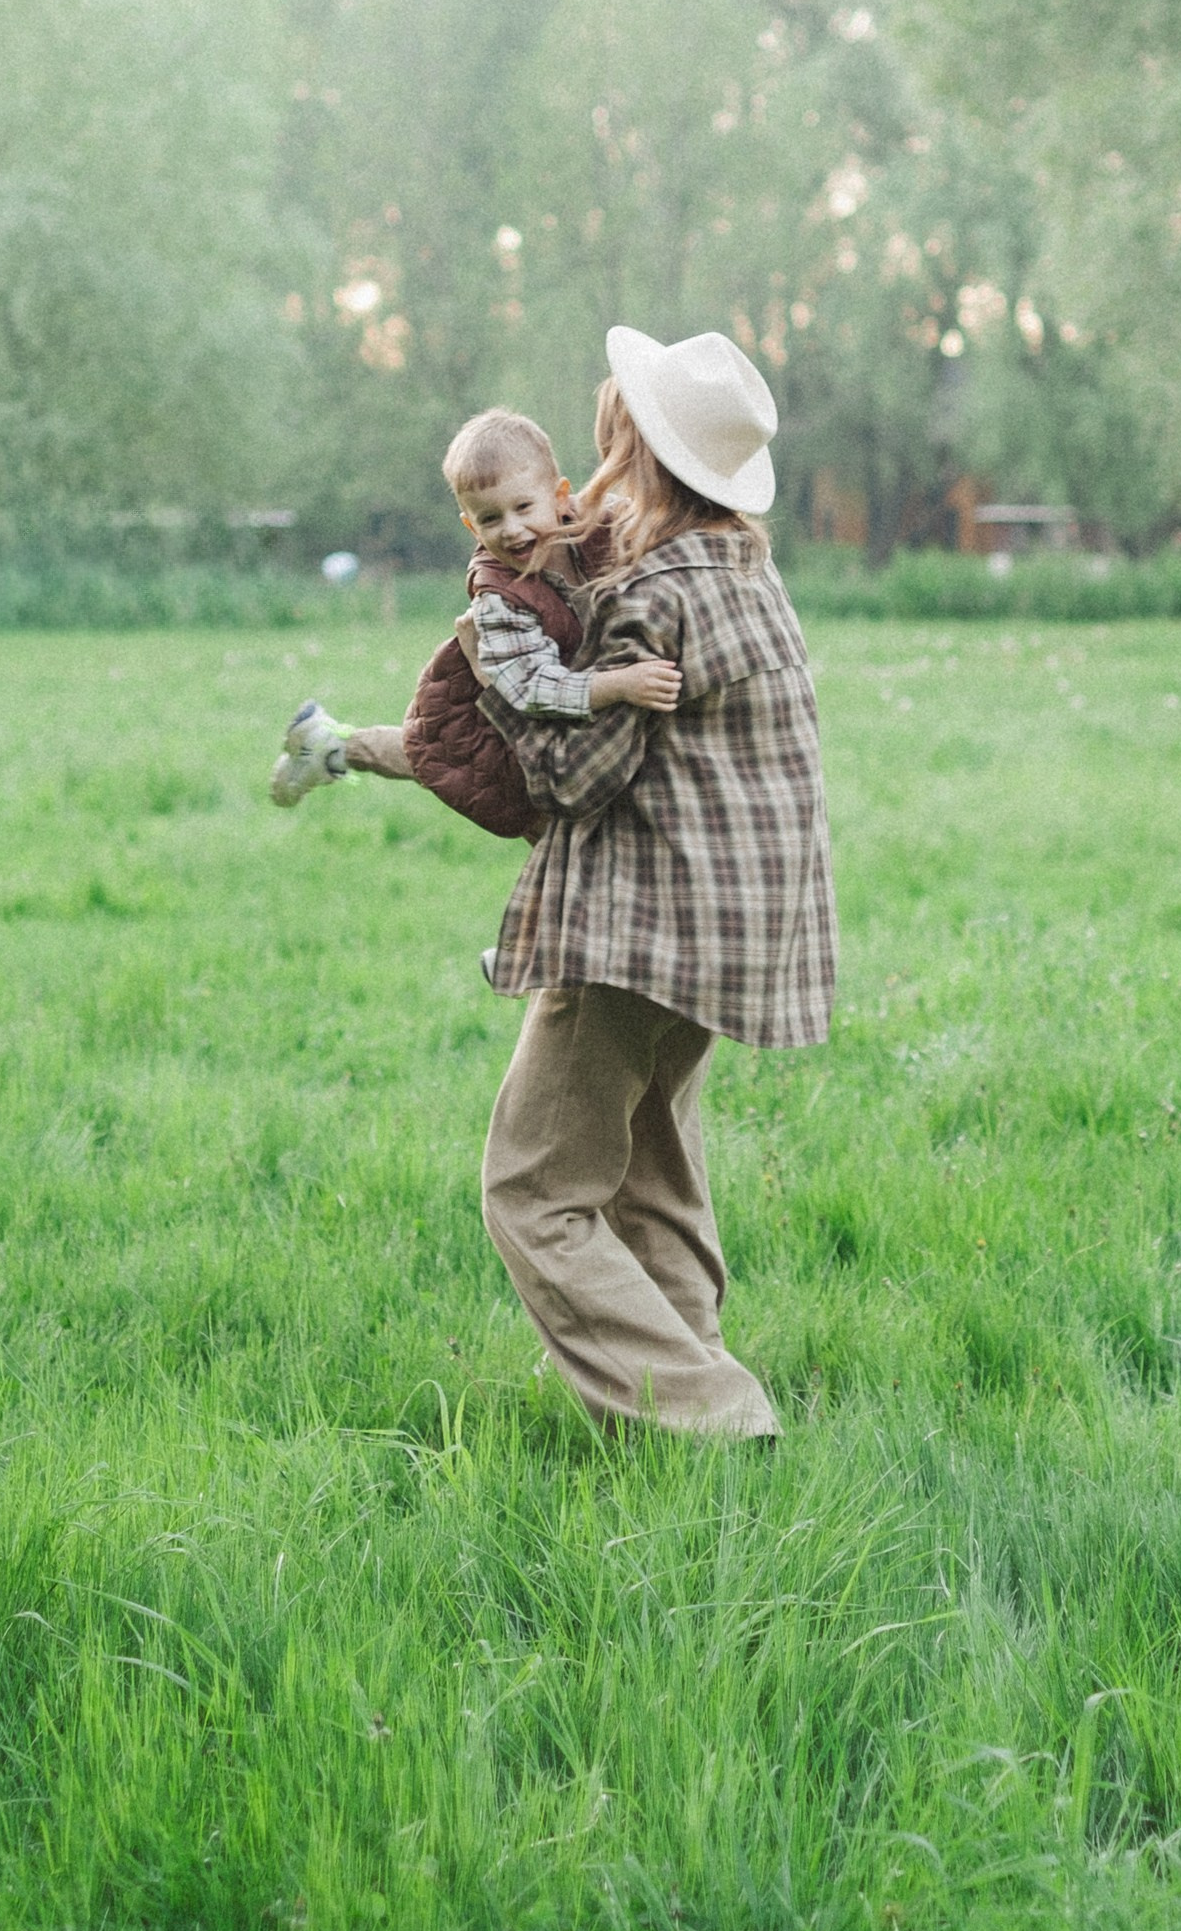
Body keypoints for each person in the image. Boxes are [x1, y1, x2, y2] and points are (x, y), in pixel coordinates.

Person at [468, 325, 836, 1438]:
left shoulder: (650, 595)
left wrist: (497, 686)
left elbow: (573, 778)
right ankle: (700, 1414)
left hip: (643, 928)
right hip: (739, 929)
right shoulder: (747, 571)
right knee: (651, 1171)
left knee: (533, 1190)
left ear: (635, 450)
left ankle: (711, 1414)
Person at [268, 407, 680, 815]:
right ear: (472, 527)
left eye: (523, 507)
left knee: (448, 761)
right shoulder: (498, 598)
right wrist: (620, 684)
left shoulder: (606, 519)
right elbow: (533, 689)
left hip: (568, 691)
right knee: (461, 767)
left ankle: (328, 746)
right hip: (505, 700)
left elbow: (658, 526)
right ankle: (330, 747)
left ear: (559, 496)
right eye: (491, 518)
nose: (511, 529)